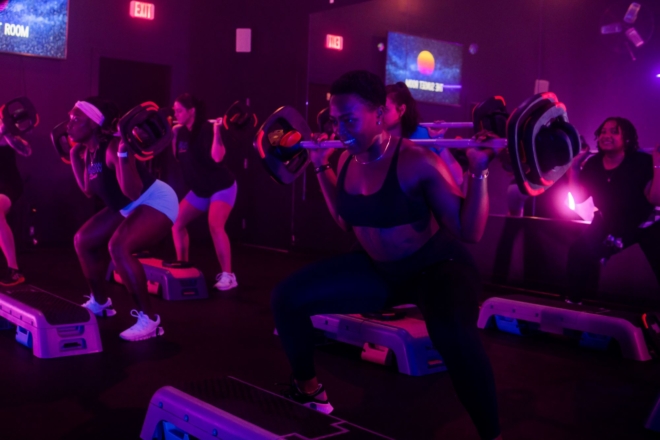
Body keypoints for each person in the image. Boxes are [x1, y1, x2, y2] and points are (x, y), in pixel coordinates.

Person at [271, 71, 501, 440]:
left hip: (436, 268)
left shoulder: (417, 161)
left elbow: (469, 231)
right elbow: (345, 220)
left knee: (454, 338)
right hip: (380, 272)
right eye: (334, 119)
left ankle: (492, 435)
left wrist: (477, 171)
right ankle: (309, 389)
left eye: (349, 119)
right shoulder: (347, 160)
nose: (339, 128)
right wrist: (318, 162)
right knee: (286, 298)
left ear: (379, 115)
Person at [68, 98, 179, 341]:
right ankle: (100, 303)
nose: (70, 124)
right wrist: (74, 155)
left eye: (77, 119)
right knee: (82, 240)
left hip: (154, 199)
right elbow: (88, 190)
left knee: (118, 247)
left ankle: (149, 321)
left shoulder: (111, 147)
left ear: (94, 123)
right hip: (127, 206)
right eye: (70, 119)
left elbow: (133, 192)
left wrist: (122, 153)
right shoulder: (89, 151)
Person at [566, 117, 660, 305]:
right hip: (608, 221)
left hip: (644, 222)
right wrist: (574, 167)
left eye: (614, 131)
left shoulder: (640, 161)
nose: (606, 136)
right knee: (578, 252)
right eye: (603, 132)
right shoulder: (593, 164)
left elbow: (655, 199)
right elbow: (578, 198)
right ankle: (573, 304)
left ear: (626, 139)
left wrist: (657, 163)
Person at [171, 94, 238, 291]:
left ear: (191, 111)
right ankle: (182, 266)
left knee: (215, 225)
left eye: (179, 110)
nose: (176, 113)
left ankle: (229, 276)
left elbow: (218, 158)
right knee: (176, 223)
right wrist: (174, 135)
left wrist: (217, 131)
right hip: (200, 190)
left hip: (221, 187)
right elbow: (178, 158)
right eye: (174, 110)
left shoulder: (208, 129)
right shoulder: (181, 132)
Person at [382, 81, 464, 186]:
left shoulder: (421, 135)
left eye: (385, 110)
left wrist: (439, 141)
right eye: (379, 110)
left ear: (402, 110)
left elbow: (458, 179)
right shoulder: (377, 137)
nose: (379, 115)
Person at [0, 117, 31, 286]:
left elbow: (27, 151)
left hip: (7, 185)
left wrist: (7, 133)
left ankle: (14, 271)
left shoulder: (5, 130)